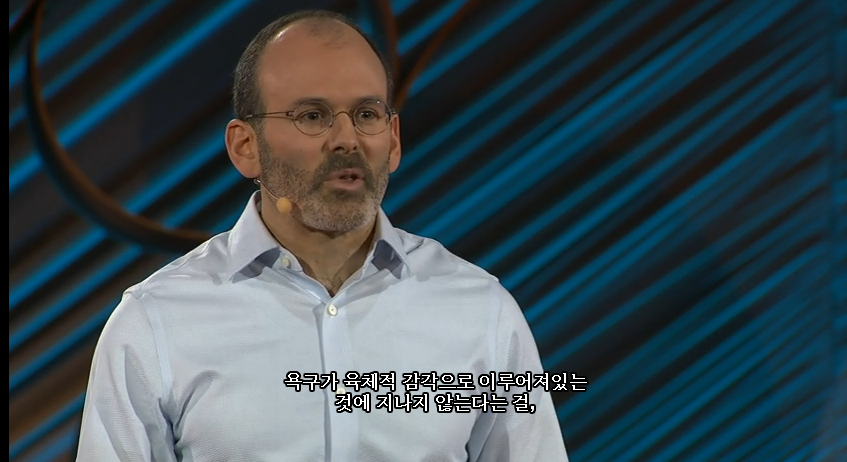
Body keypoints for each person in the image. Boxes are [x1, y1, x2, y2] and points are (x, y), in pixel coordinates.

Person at [76, 9, 569, 462]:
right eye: (312, 116)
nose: (346, 139)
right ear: (246, 147)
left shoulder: (479, 311)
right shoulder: (156, 323)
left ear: (394, 141)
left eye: (367, 114)